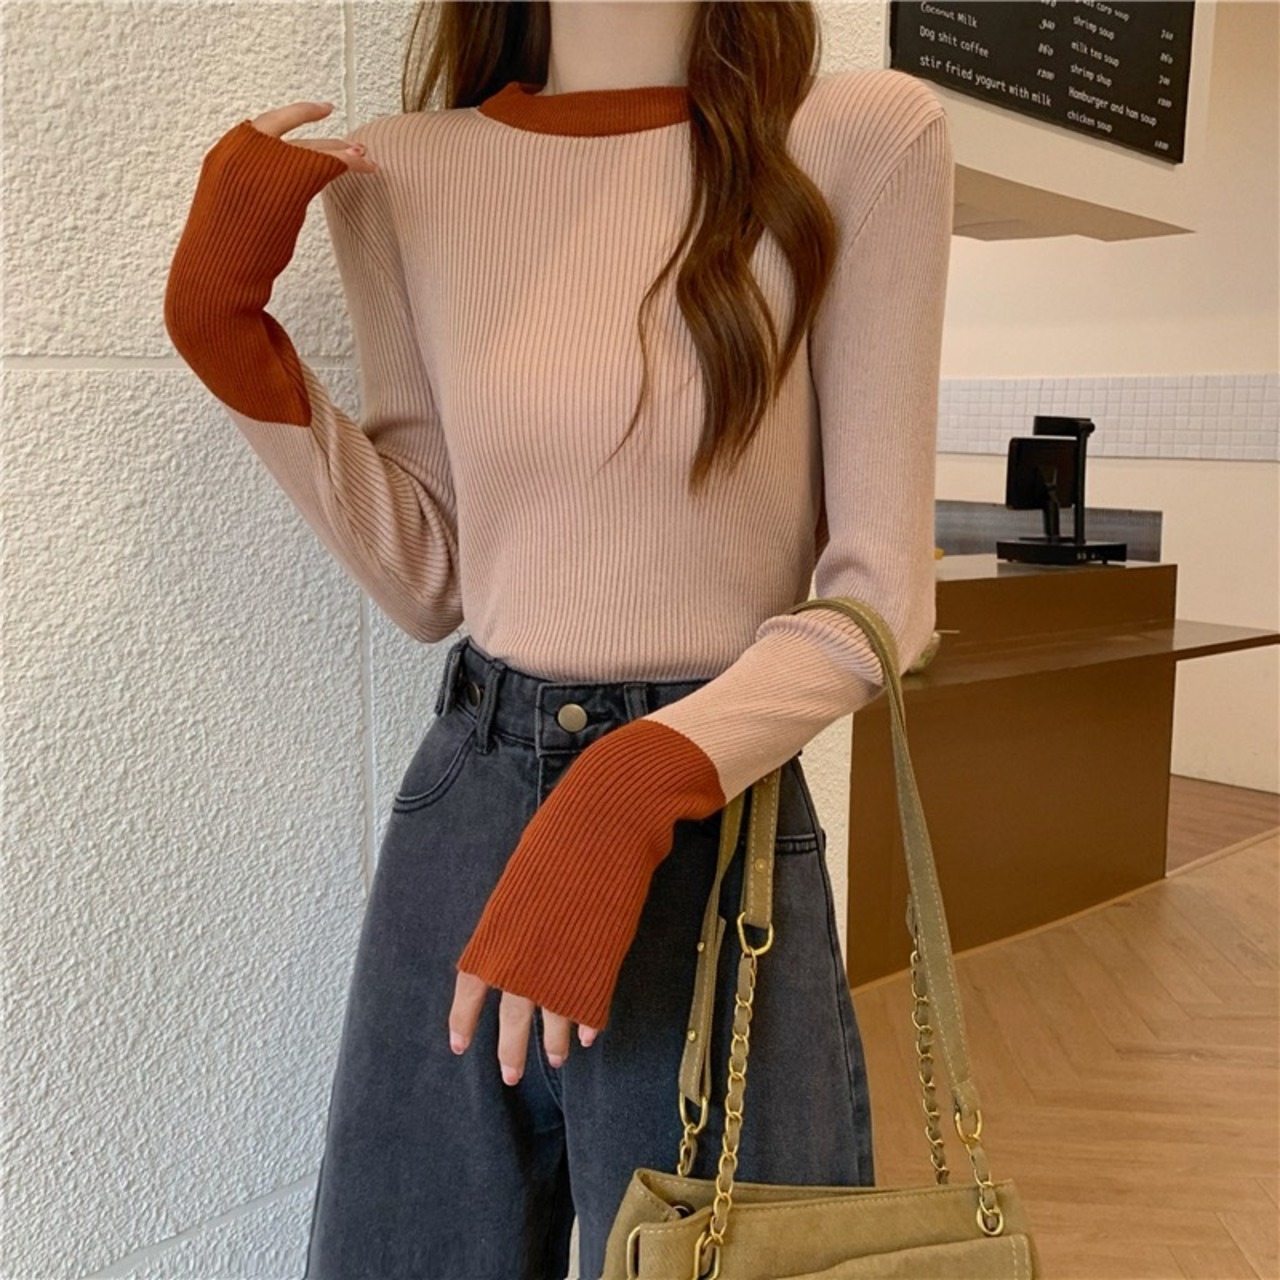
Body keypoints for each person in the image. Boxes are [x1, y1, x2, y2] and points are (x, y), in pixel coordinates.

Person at [163, 1, 954, 1275]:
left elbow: (879, 597)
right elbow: (431, 575)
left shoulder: (854, 137)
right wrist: (227, 337)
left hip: (713, 829)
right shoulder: (403, 172)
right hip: (471, 804)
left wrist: (627, 785)